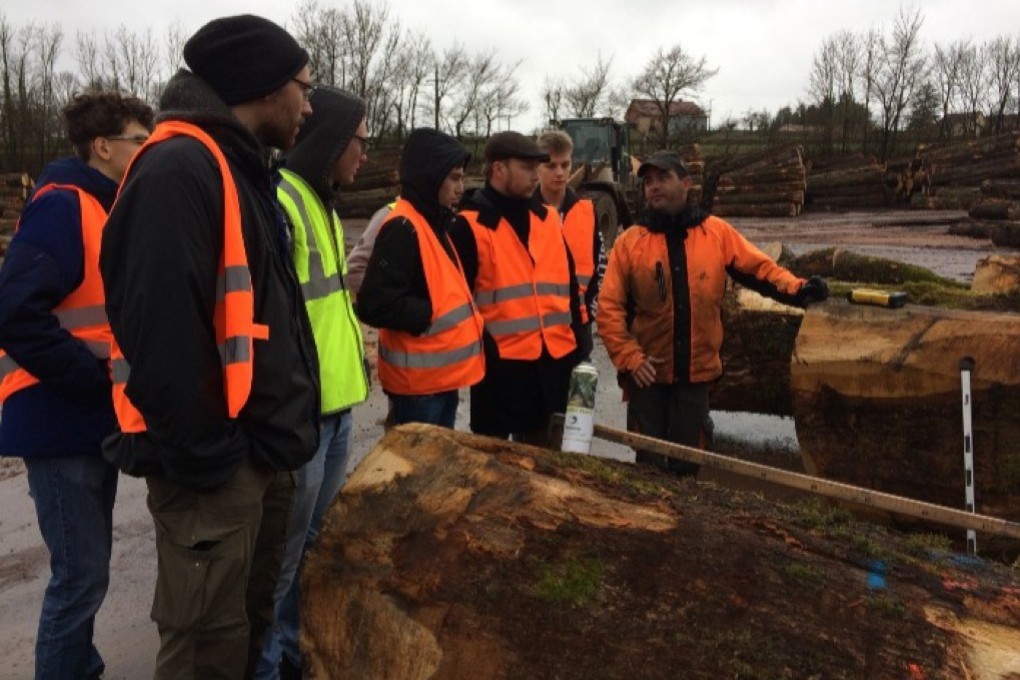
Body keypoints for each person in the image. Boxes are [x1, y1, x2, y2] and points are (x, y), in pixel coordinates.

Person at [99, 15, 320, 679]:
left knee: (239, 642)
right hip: (213, 471)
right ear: (261, 87)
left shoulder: (236, 168)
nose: (308, 105)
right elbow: (161, 334)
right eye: (301, 88)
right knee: (205, 653)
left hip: (247, 456)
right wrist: (212, 459)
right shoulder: (177, 168)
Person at [0, 92, 152, 680]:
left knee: (86, 574)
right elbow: (14, 311)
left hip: (86, 419)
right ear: (103, 146)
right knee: (79, 578)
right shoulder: (63, 206)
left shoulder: (101, 206)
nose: (147, 151)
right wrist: (91, 381)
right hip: (60, 421)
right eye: (140, 141)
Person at [597, 150, 829, 476]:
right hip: (647, 377)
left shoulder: (715, 233)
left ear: (686, 184)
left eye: (663, 178)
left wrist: (799, 289)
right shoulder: (630, 242)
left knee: (689, 467)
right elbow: (608, 309)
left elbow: (760, 270)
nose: (654, 187)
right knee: (647, 468)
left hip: (696, 376)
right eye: (648, 181)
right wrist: (629, 357)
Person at [257, 86, 371, 680]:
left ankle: (299, 656)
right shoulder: (283, 201)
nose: (366, 156)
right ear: (330, 141)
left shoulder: (321, 202)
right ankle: (271, 667)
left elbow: (329, 309)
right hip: (305, 418)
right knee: (283, 557)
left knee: (314, 550)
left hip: (335, 408)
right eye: (360, 141)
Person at [449, 131, 588, 445]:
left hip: (553, 369)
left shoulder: (549, 219)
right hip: (499, 376)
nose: (536, 174)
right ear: (499, 170)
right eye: (527, 167)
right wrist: (485, 353)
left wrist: (581, 341)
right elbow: (459, 305)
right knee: (495, 477)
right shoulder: (468, 226)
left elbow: (569, 286)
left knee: (549, 474)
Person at [358, 128, 485, 427]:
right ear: (430, 175)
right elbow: (374, 304)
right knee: (416, 471)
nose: (460, 187)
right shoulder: (404, 227)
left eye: (462, 178)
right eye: (454, 178)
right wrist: (427, 314)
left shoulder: (432, 221)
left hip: (439, 381)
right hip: (419, 390)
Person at [535, 130, 602, 352]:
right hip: (536, 331)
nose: (560, 172)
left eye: (565, 165)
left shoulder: (586, 212)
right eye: (551, 166)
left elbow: (600, 268)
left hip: (577, 328)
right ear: (538, 167)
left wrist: (589, 312)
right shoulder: (523, 214)